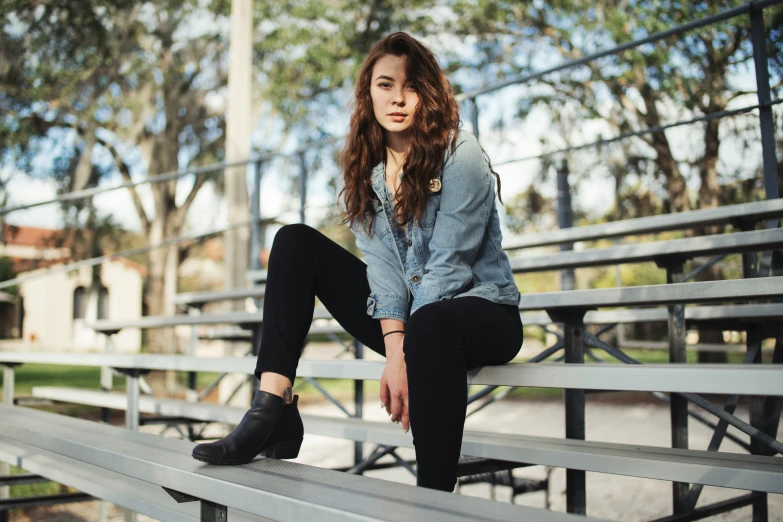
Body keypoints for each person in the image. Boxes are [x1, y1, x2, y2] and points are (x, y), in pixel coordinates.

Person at [192, 32, 523, 493]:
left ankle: (434, 499)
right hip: (411, 320)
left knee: (430, 325)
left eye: (411, 86)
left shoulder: (459, 154)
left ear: (428, 92)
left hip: (483, 311)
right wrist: (396, 350)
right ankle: (271, 408)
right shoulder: (366, 168)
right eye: (385, 85)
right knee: (293, 242)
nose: (398, 98)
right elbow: (383, 268)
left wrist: (402, 356)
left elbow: (448, 269)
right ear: (368, 92)